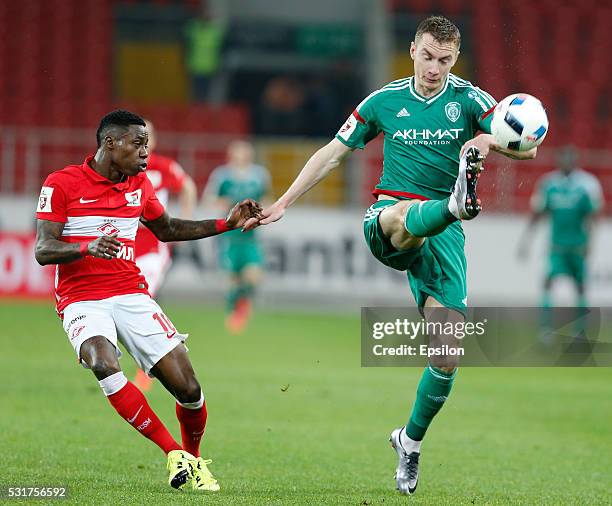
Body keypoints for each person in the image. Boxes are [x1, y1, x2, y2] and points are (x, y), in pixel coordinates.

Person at [244, 16, 537, 495]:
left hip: (445, 240)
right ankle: (451, 204)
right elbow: (333, 153)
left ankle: (410, 442)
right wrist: (283, 201)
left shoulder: (470, 100)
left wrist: (486, 139)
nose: (434, 68)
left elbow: (523, 145)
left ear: (455, 58)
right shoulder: (384, 101)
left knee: (448, 354)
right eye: (427, 56)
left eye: (444, 59)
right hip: (388, 216)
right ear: (412, 50)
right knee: (401, 218)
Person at [34, 110, 261, 492]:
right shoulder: (61, 184)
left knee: (189, 390)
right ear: (110, 143)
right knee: (101, 361)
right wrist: (86, 246)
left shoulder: (139, 184)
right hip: (82, 298)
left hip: (131, 295)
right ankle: (172, 451)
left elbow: (168, 228)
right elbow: (44, 248)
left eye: (147, 144)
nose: (146, 152)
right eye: (138, 143)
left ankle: (193, 459)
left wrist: (226, 223)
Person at [133, 120, 198, 392]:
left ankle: (148, 366)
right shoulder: (119, 168)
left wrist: (184, 220)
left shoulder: (162, 166)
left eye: (148, 136)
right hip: (122, 247)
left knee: (142, 299)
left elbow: (188, 187)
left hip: (152, 248)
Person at [518, 145, 603, 339]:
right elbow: (538, 213)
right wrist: (526, 240)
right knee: (548, 282)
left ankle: (579, 330)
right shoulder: (548, 184)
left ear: (575, 161)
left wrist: (591, 242)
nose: (566, 162)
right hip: (556, 247)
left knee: (580, 286)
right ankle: (546, 330)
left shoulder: (587, 185)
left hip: (578, 246)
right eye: (562, 159)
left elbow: (593, 217)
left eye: (569, 159)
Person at [202, 140, 271, 333]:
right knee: (231, 280)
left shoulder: (259, 175)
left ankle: (242, 305)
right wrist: (223, 203)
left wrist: (264, 211)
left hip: (250, 236)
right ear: (231, 155)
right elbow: (208, 199)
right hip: (229, 236)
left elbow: (266, 198)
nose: (241, 156)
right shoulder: (222, 175)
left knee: (254, 276)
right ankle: (234, 312)